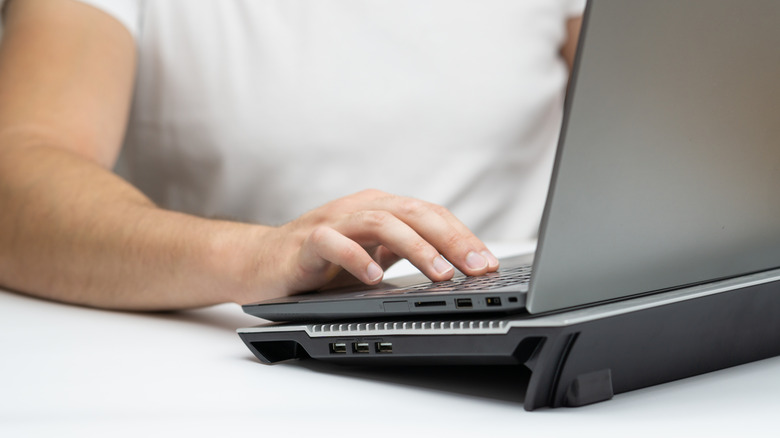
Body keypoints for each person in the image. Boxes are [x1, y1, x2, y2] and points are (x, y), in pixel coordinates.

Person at [0, 0, 584, 310]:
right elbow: (18, 173)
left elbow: (653, 130)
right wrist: (259, 255)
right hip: (225, 345)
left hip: (539, 310)